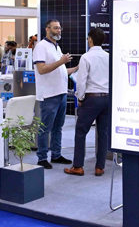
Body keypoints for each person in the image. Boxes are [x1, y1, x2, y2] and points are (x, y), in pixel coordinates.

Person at [65, 29, 110, 177]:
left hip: (92, 98)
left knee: (81, 131)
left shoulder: (86, 57)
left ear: (90, 39)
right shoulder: (109, 57)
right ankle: (100, 167)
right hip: (107, 98)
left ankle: (78, 166)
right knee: (103, 133)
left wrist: (80, 97)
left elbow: (81, 80)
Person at [33, 20, 77, 169]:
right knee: (45, 128)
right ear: (47, 29)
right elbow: (42, 69)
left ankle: (56, 155)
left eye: (60, 28)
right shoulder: (41, 47)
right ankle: (42, 157)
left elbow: (62, 71)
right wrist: (61, 61)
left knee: (58, 127)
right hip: (49, 95)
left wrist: (77, 67)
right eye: (56, 28)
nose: (59, 30)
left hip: (61, 93)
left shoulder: (55, 47)